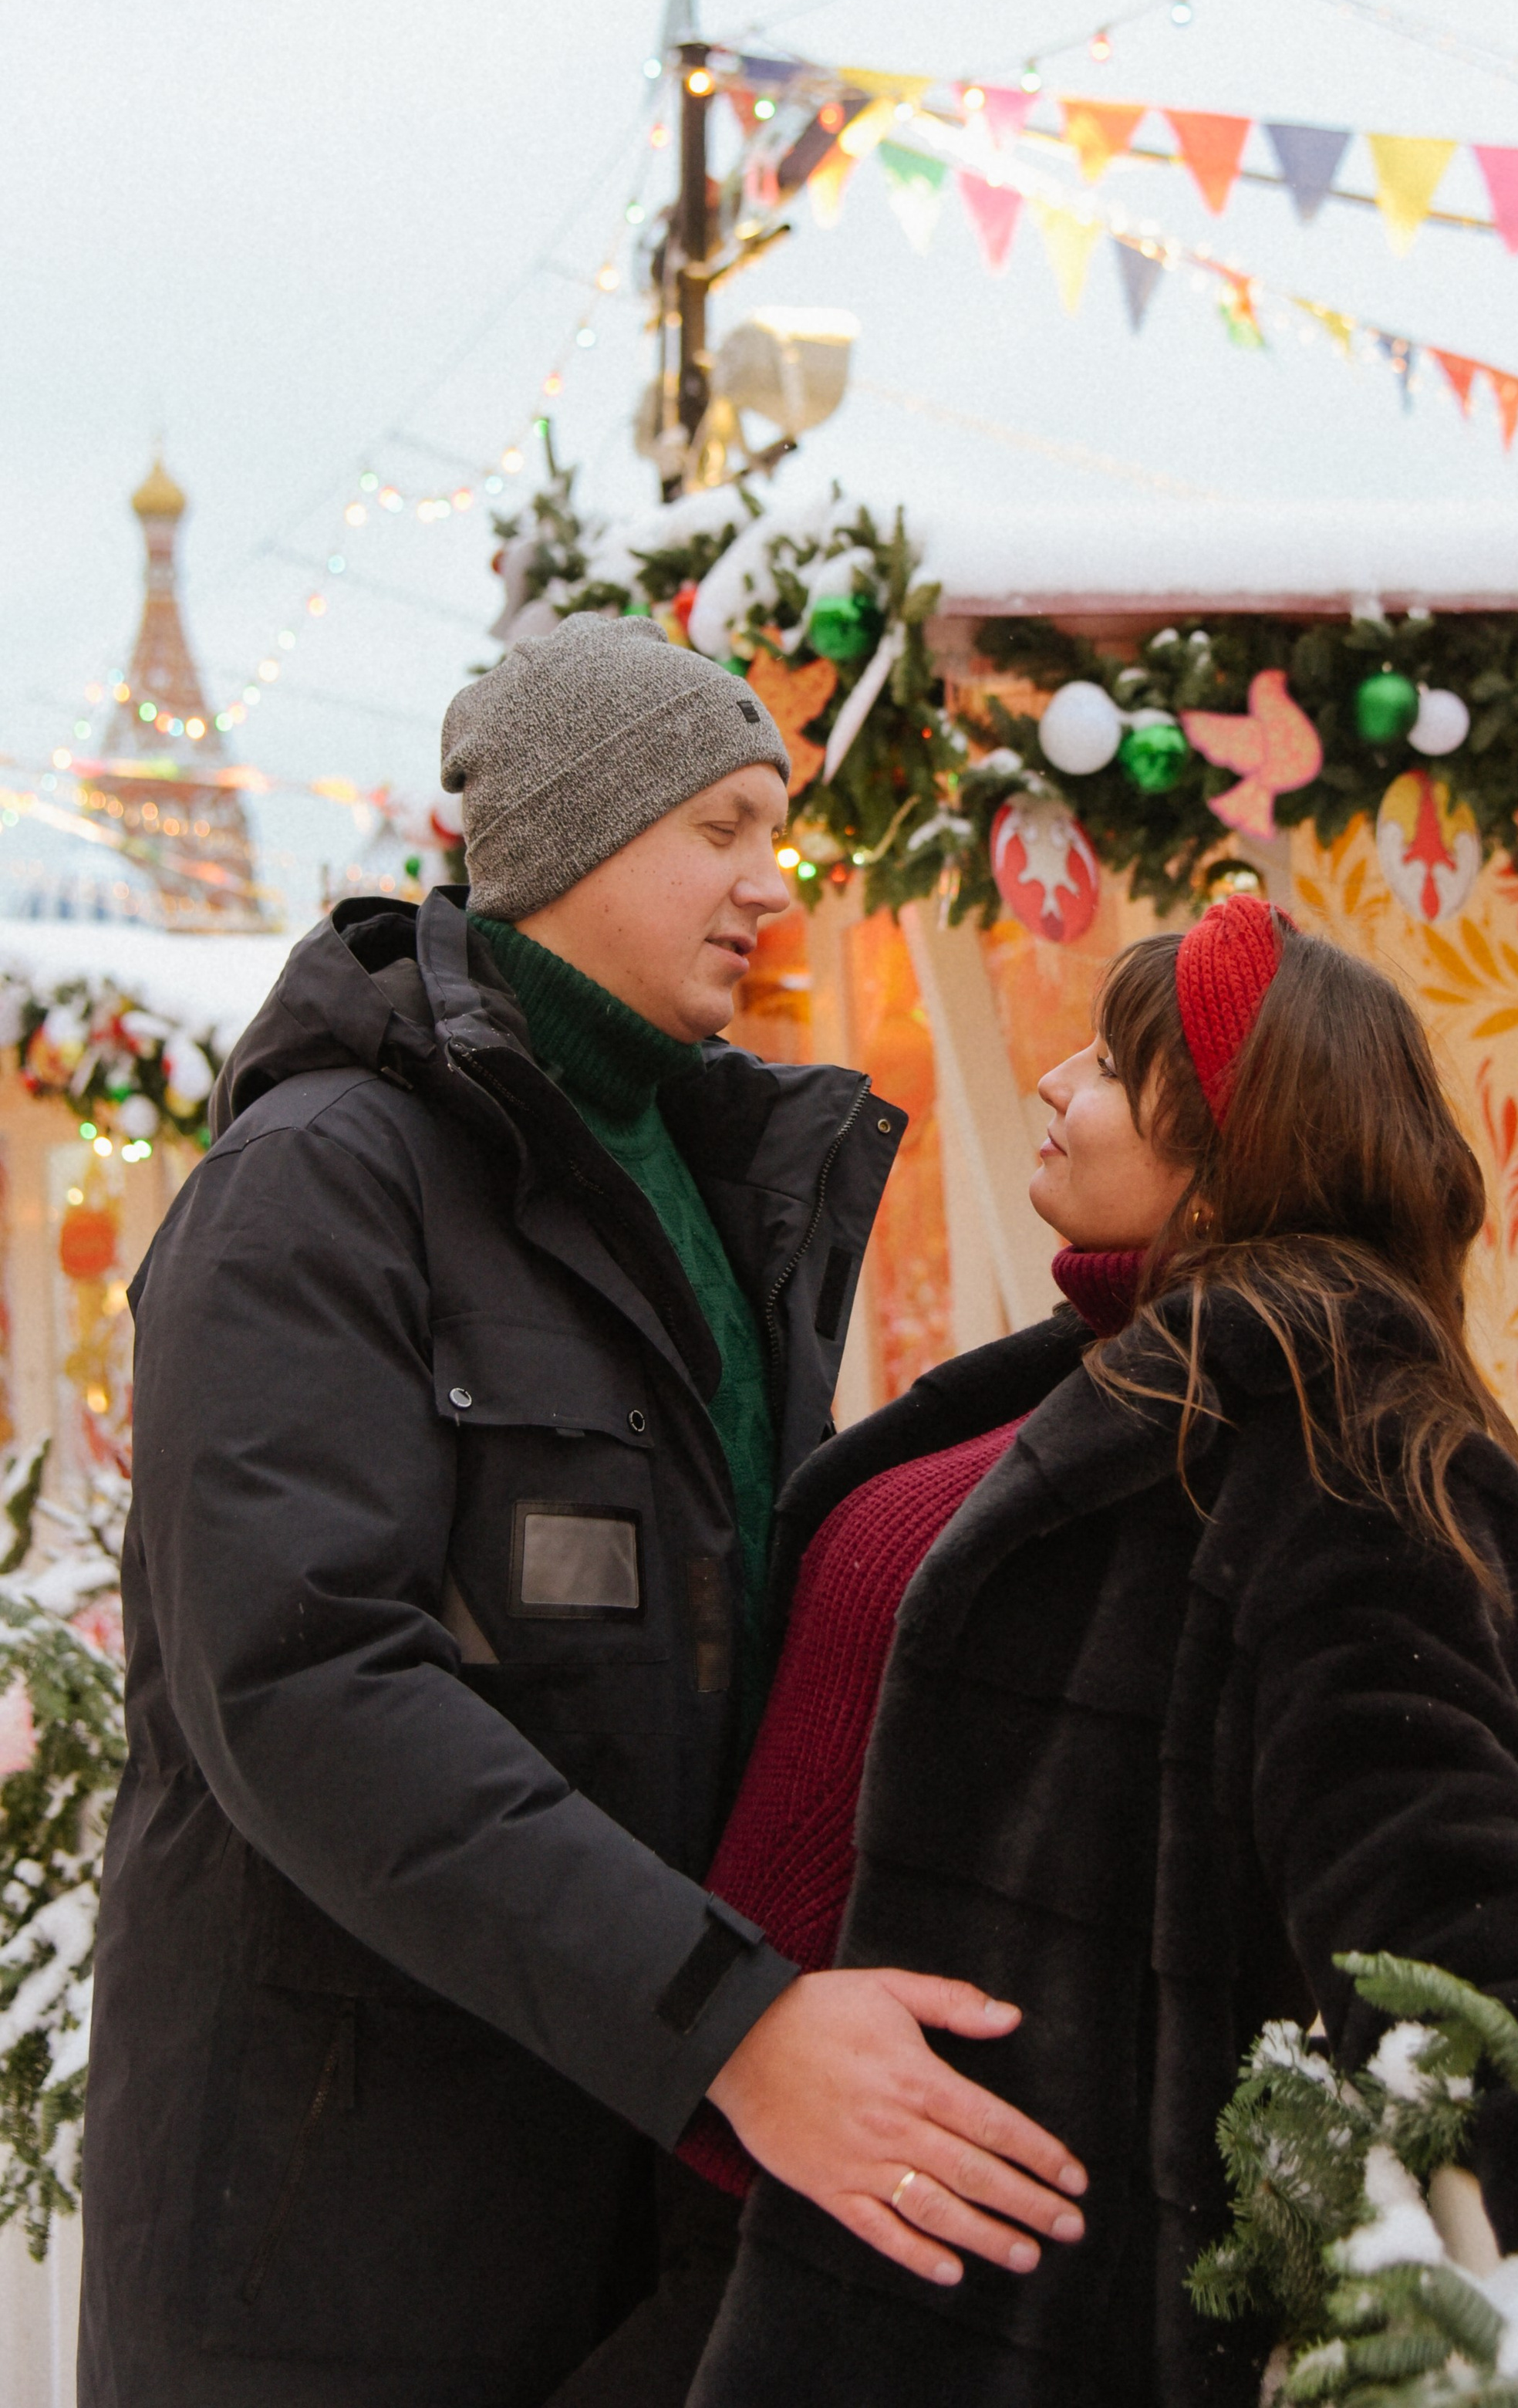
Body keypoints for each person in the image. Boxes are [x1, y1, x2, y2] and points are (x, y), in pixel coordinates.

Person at [681, 896, 1518, 2406]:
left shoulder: (1326, 1435)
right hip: (757, 2171)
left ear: (1231, 1138)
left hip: (989, 2265)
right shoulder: (1094, 1381)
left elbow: (1432, 1848)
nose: (1054, 1082)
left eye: (1113, 1064)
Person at [79, 615, 1084, 2408]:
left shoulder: (710, 1188)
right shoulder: (318, 1182)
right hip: (347, 2248)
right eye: (719, 826)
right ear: (561, 842)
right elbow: (305, 1686)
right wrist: (728, 2022)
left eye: (770, 831)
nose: (766, 887)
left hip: (639, 2222)